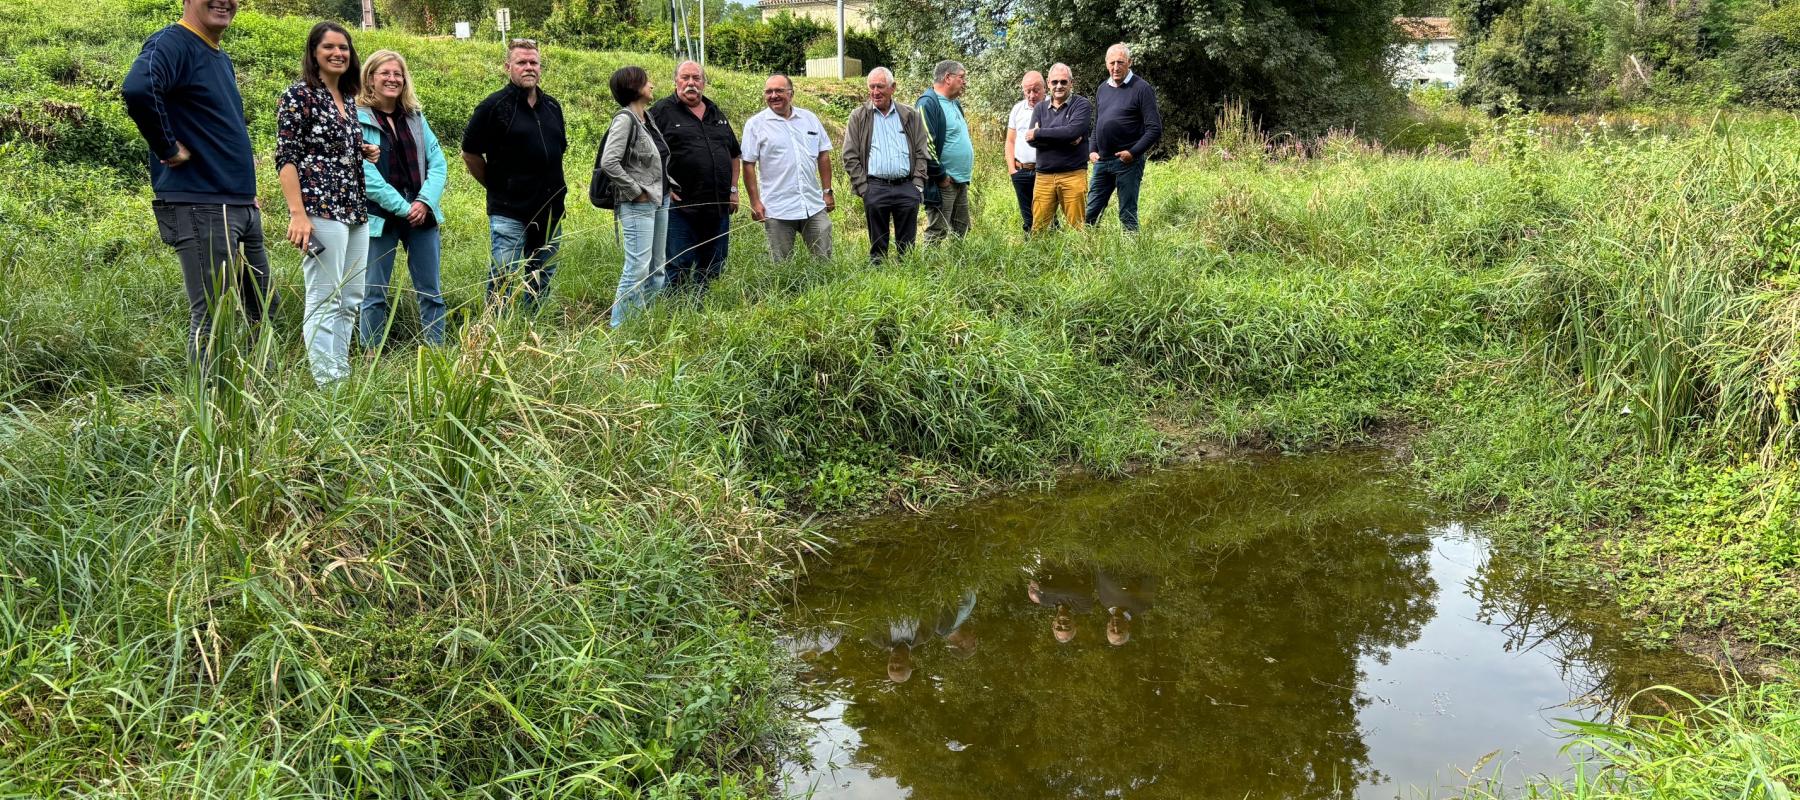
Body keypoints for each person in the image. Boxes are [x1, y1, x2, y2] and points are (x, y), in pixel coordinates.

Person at [122, 0, 272, 366]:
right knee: (212, 316)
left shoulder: (219, 55)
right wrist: (167, 146)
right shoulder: (173, 43)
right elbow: (139, 88)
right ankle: (208, 411)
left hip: (238, 203)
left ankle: (258, 398)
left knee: (262, 307)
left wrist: (246, 191)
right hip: (201, 202)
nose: (224, 2)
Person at [276, 21, 378, 387]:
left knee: (351, 297)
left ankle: (341, 374)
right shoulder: (298, 96)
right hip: (319, 208)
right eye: (329, 47)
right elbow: (287, 157)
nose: (338, 53)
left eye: (344, 48)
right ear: (314, 53)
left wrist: (365, 150)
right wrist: (297, 214)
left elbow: (332, 148)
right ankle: (327, 382)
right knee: (324, 297)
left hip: (354, 208)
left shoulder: (349, 101)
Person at [463, 39, 567, 311]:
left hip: (551, 210)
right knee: (503, 278)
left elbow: (558, 151)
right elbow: (470, 153)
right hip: (510, 211)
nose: (529, 67)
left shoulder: (553, 107)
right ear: (508, 66)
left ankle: (533, 328)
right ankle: (492, 332)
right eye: (522, 62)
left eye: (534, 62)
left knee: (541, 277)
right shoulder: (493, 107)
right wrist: (497, 186)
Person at [356, 49, 448, 350]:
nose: (392, 79)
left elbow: (438, 163)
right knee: (373, 294)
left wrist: (424, 202)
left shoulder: (415, 118)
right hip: (379, 217)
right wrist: (404, 207)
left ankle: (437, 353)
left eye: (398, 74)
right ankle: (372, 356)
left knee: (431, 291)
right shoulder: (356, 117)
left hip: (421, 213)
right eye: (385, 73)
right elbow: (365, 175)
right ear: (370, 78)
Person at [649, 60, 739, 292]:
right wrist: (663, 186)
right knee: (678, 265)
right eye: (685, 78)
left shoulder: (715, 112)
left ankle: (703, 312)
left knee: (713, 266)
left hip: (718, 206)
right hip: (679, 208)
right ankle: (674, 313)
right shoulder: (660, 112)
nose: (691, 83)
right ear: (675, 81)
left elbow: (734, 153)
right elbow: (644, 154)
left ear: (704, 83)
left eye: (696, 78)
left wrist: (733, 189)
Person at [598, 66, 676, 328]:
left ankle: (643, 323)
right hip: (638, 205)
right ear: (634, 86)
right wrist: (636, 191)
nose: (652, 85)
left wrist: (668, 186)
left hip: (660, 199)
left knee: (657, 268)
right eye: (646, 81)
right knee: (638, 268)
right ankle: (619, 328)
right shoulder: (625, 119)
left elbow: (657, 159)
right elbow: (610, 161)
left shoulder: (647, 118)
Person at [741, 74, 834, 261]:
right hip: (777, 209)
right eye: (769, 91)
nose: (773, 95)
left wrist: (827, 191)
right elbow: (748, 164)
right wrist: (755, 202)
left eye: (779, 91)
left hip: (812, 205)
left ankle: (825, 290)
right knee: (781, 266)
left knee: (825, 261)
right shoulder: (755, 125)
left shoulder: (809, 119)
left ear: (791, 94)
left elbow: (823, 155)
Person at [841, 66, 928, 262]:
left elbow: (922, 152)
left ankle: (908, 277)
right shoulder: (859, 116)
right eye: (871, 87)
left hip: (906, 186)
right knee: (877, 246)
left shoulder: (910, 115)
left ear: (893, 87)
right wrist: (864, 187)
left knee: (907, 247)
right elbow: (849, 155)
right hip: (875, 187)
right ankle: (878, 280)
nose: (875, 92)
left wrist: (918, 185)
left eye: (880, 86)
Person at [1086, 43, 1163, 232]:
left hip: (1128, 162)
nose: (1115, 67)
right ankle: (1085, 251)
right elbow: (1098, 123)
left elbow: (1154, 128)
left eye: (1120, 62)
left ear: (1129, 62)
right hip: (1102, 161)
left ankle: (1134, 257)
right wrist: (1092, 149)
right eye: (1111, 63)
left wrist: (1133, 153)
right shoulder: (1102, 89)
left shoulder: (1142, 88)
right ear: (1106, 64)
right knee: (1090, 213)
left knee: (1127, 214)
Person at [1028, 63, 1094, 233]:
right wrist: (1064, 137)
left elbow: (1072, 132)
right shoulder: (1040, 108)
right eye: (1055, 82)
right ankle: (1040, 259)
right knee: (1038, 230)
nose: (1059, 86)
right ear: (1048, 83)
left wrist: (1040, 133)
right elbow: (1031, 140)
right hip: (1043, 177)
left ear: (1071, 83)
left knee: (1077, 229)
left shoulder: (1081, 105)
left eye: (1064, 82)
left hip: (1073, 175)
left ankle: (1080, 259)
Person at [915, 60, 974, 243]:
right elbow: (925, 144)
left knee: (961, 229)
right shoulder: (928, 103)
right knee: (937, 232)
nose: (964, 82)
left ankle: (958, 269)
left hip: (960, 180)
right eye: (961, 77)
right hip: (943, 183)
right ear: (948, 78)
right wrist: (941, 176)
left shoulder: (954, 103)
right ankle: (930, 271)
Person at [1005, 71, 1046, 233]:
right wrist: (1012, 169)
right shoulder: (1017, 109)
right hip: (1021, 171)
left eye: (1036, 90)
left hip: (1045, 171)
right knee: (1028, 218)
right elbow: (1010, 141)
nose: (1031, 95)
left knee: (1046, 215)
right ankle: (1031, 252)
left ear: (1045, 88)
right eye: (1027, 91)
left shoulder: (1051, 106)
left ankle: (1051, 251)